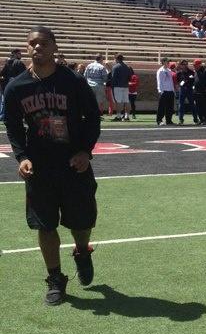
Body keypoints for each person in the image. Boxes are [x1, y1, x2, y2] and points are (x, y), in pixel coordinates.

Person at [3, 27, 100, 305]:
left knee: (82, 221)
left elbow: (92, 117)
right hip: (41, 168)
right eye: (32, 43)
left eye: (43, 43)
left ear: (54, 46)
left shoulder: (73, 81)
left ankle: (82, 251)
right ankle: (55, 278)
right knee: (45, 224)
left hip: (74, 164)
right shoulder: (17, 86)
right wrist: (22, 157)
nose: (37, 48)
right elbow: (12, 125)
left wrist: (85, 151)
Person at [0, 48, 26, 121]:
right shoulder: (19, 63)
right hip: (17, 87)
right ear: (15, 54)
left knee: (5, 102)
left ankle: (4, 116)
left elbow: (2, 75)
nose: (20, 55)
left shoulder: (7, 63)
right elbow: (24, 75)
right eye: (19, 53)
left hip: (7, 87)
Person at [110, 54, 133, 122]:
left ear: (116, 59)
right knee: (126, 101)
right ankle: (127, 116)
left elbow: (113, 78)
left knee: (119, 102)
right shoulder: (127, 67)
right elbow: (130, 78)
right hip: (125, 86)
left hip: (117, 86)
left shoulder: (115, 67)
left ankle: (118, 116)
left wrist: (112, 85)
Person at [176, 60, 198, 125]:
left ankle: (195, 119)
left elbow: (194, 81)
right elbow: (178, 82)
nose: (185, 65)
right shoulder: (179, 73)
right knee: (181, 105)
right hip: (182, 90)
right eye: (184, 64)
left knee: (192, 105)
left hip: (189, 90)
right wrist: (181, 84)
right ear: (181, 65)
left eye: (186, 64)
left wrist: (193, 87)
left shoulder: (191, 72)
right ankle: (181, 120)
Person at [156, 57, 175, 125]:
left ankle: (169, 120)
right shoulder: (160, 71)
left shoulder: (169, 70)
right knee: (162, 106)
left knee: (170, 107)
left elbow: (171, 81)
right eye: (167, 62)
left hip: (170, 91)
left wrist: (173, 90)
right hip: (164, 91)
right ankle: (159, 120)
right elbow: (159, 82)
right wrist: (160, 91)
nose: (168, 63)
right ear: (163, 62)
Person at [193, 59, 206, 124]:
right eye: (194, 65)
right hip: (196, 92)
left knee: (204, 106)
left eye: (196, 65)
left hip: (203, 92)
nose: (194, 66)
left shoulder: (205, 72)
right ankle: (201, 119)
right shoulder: (195, 72)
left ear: (199, 65)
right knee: (198, 107)